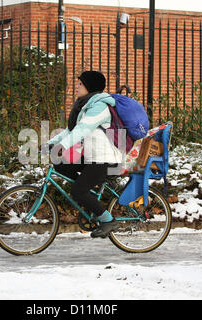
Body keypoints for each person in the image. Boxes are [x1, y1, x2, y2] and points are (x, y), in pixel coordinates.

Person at [47, 71, 123, 238]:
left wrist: (62, 146)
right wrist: (50, 144)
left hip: (105, 159)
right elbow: (71, 130)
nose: (76, 86)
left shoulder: (99, 106)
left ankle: (108, 220)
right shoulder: (85, 105)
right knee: (61, 165)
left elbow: (83, 129)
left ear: (90, 86)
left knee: (78, 190)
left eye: (80, 83)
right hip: (91, 156)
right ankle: (90, 199)